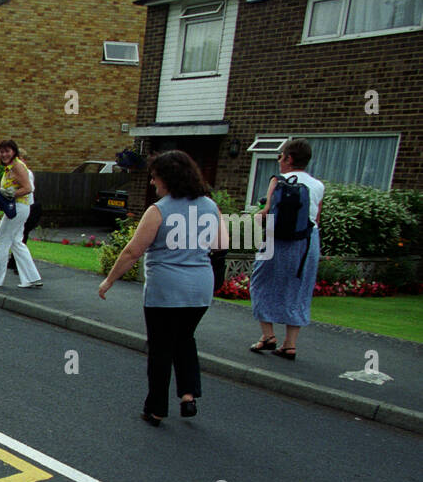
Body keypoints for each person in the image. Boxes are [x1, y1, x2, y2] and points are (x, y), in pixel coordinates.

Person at [98, 150, 228, 425]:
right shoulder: (210, 206)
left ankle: (156, 408)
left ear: (168, 179)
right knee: (185, 339)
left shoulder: (159, 210)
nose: (152, 183)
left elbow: (133, 251)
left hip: (166, 290)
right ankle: (188, 395)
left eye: (155, 177)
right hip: (200, 289)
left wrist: (109, 280)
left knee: (160, 348)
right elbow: (220, 246)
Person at [248, 138, 324, 361]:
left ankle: (268, 335)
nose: (279, 161)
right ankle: (290, 345)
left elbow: (267, 214)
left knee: (260, 282)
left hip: (276, 240)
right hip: (308, 241)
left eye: (280, 156)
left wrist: (255, 216)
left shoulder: (278, 181)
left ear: (289, 159)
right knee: (299, 289)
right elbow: (317, 219)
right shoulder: (318, 185)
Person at [0, 139, 42, 288]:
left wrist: (9, 194)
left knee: (1, 243)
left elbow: (28, 188)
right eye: (1, 152)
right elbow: (9, 190)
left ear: (14, 152)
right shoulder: (11, 167)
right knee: (16, 242)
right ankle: (32, 278)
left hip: (17, 208)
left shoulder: (17, 167)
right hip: (19, 208)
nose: (4, 154)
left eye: (7, 151)